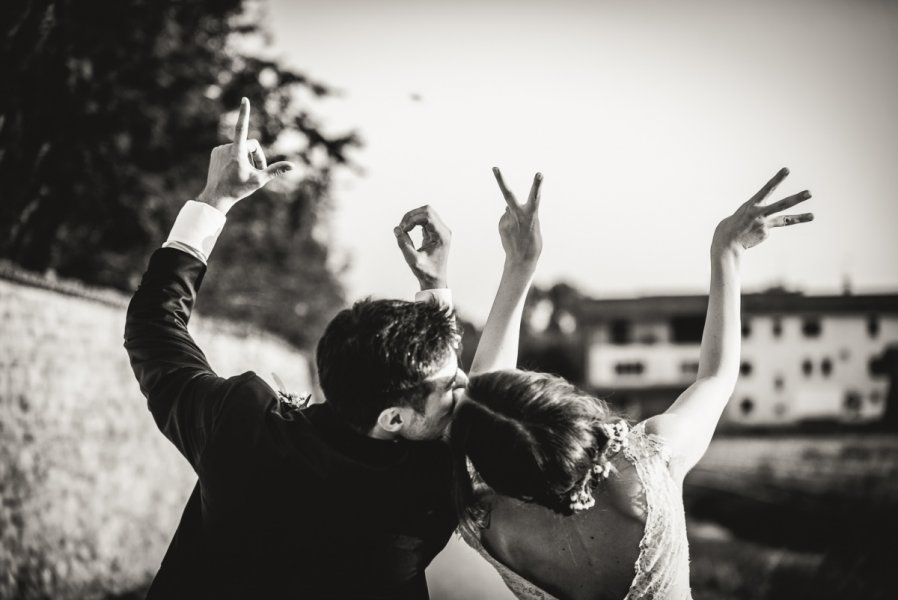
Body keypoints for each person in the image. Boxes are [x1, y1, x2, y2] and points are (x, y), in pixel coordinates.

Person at [124, 98, 467, 599]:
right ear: (392, 418)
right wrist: (437, 286)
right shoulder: (430, 487)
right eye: (452, 387)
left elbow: (153, 326)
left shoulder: (238, 423)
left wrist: (215, 199)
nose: (467, 389)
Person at [450, 167, 814, 600]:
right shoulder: (648, 471)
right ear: (570, 408)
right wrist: (726, 252)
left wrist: (519, 266)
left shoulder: (484, 519)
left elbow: (485, 409)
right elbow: (716, 377)